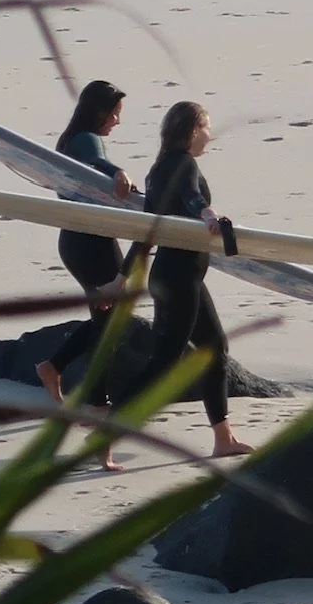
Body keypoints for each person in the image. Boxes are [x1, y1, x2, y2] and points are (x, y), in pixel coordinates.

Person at [134, 100, 252, 459]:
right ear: (190, 131)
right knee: (165, 362)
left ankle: (223, 439)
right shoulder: (184, 165)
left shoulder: (157, 170)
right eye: (206, 127)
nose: (209, 135)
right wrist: (209, 215)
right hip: (179, 278)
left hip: (178, 276)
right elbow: (193, 198)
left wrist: (123, 276)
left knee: (214, 350)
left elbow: (147, 230)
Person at [36, 80, 135, 466]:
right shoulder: (87, 140)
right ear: (99, 112)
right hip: (91, 245)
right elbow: (97, 165)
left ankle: (53, 367)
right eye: (114, 114)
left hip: (77, 242)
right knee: (110, 328)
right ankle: (98, 410)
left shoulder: (72, 137)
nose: (116, 122)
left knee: (104, 323)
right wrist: (118, 170)